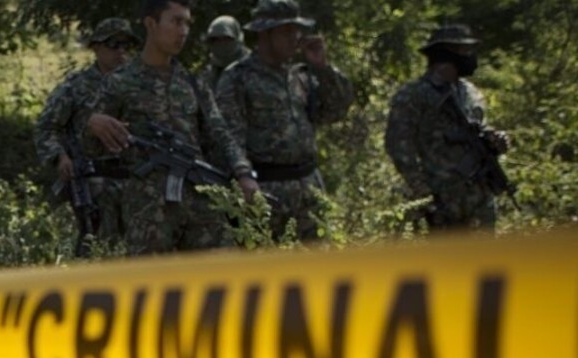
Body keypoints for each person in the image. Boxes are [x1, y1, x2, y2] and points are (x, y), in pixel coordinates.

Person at [86, 0, 260, 255]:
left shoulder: (192, 83)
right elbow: (89, 147)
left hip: (200, 199)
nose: (184, 31)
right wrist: (93, 124)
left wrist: (243, 174)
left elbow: (220, 133)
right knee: (151, 288)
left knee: (221, 277)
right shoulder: (120, 82)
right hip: (147, 210)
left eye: (187, 23)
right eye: (176, 21)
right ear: (151, 24)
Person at [215, 0, 354, 241]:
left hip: (309, 191)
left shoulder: (300, 76)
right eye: (287, 31)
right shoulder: (238, 77)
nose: (296, 38)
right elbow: (228, 136)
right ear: (266, 34)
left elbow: (337, 110)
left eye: (297, 31)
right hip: (267, 192)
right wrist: (243, 176)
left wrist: (322, 68)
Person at [385, 25, 510, 231]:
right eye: (464, 50)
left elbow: (478, 129)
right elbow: (397, 145)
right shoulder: (414, 95)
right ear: (445, 53)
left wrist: (495, 140)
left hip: (479, 200)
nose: (470, 56)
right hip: (442, 201)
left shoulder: (471, 92)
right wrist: (422, 189)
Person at [33, 18, 140, 253]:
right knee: (94, 244)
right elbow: (47, 127)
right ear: (97, 48)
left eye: (127, 46)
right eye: (114, 45)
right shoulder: (75, 87)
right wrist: (59, 156)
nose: (121, 52)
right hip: (93, 181)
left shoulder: (142, 85)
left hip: (136, 179)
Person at [197, 15, 249, 92]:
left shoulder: (253, 69)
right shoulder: (208, 75)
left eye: (226, 39)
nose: (221, 44)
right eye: (215, 40)